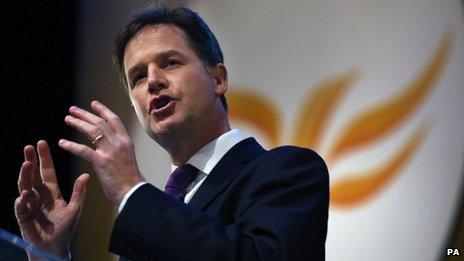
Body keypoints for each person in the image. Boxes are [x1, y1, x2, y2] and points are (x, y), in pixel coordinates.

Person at [14, 4, 329, 260]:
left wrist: (130, 189)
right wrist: (50, 255)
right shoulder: (151, 217)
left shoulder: (288, 171)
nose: (152, 81)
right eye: (138, 76)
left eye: (170, 62)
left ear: (218, 79)